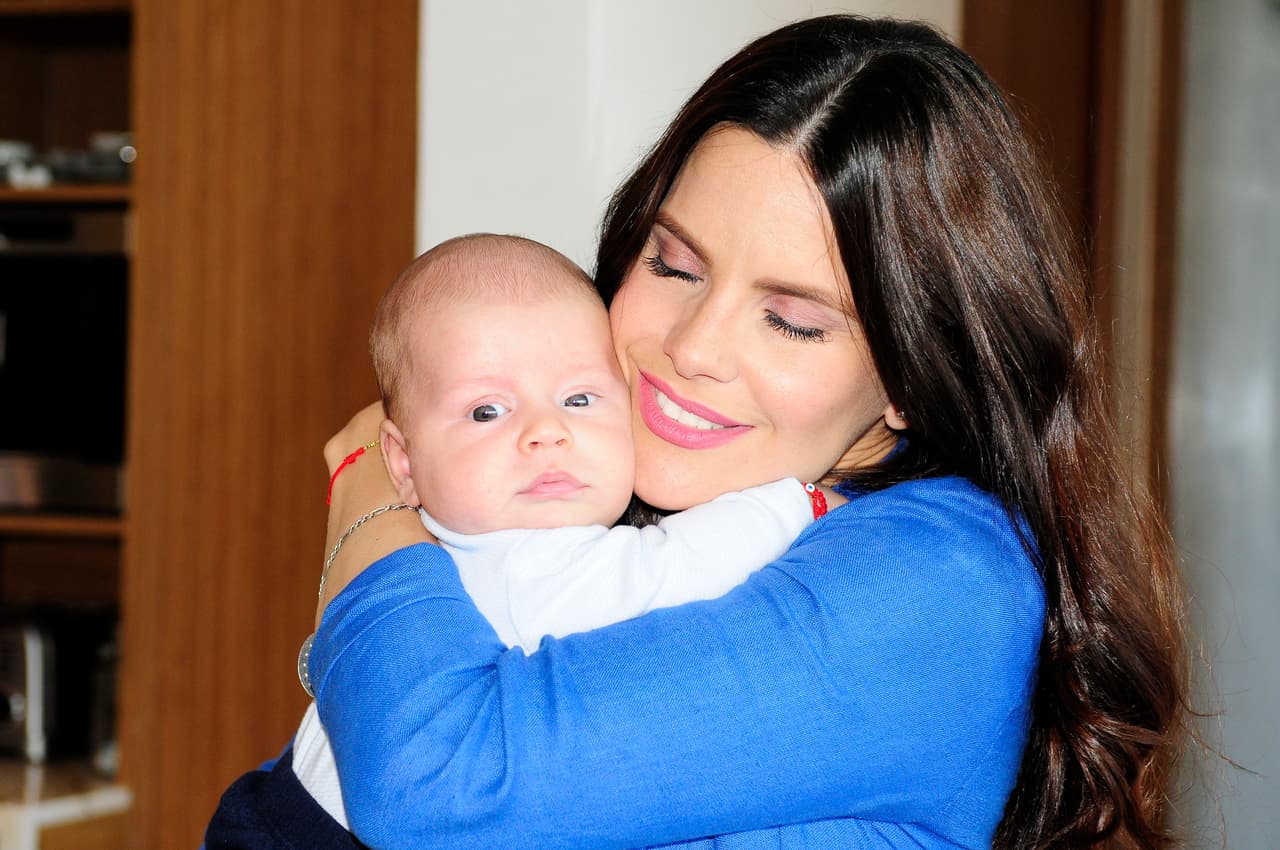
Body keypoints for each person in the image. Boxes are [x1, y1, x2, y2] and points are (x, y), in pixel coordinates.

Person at [222, 14, 1190, 850]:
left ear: (911, 369)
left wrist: (367, 494)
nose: (689, 347)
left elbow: (432, 782)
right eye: (674, 265)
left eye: (793, 319)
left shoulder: (937, 573)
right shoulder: (620, 493)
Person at [287, 233, 834, 829]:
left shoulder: (429, 549)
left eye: (578, 399)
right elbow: (676, 567)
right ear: (402, 463)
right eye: (487, 411)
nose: (546, 432)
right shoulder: (526, 563)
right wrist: (794, 504)